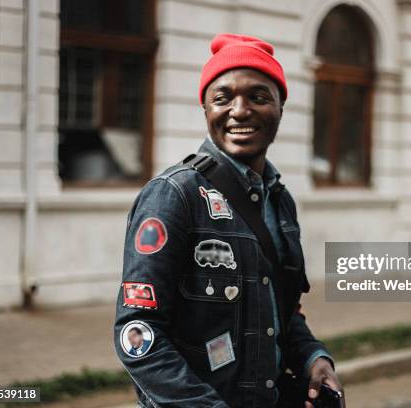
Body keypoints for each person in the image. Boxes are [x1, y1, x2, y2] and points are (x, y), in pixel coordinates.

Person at [114, 33, 344, 408]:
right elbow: (138, 334)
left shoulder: (280, 201)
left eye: (258, 96)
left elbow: (280, 313)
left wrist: (313, 358)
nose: (240, 110)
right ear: (205, 109)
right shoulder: (175, 195)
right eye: (223, 98)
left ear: (280, 108)